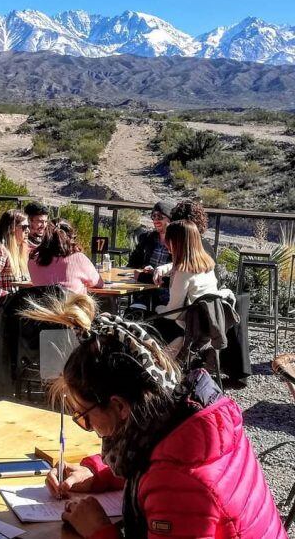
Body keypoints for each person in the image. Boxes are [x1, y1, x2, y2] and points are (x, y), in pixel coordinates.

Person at [26, 293, 286, 539]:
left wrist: (99, 530)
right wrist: (97, 473)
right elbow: (151, 456)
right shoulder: (188, 416)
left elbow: (167, 474)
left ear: (119, 406)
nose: (89, 427)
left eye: (85, 417)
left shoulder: (178, 478)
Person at [151, 220, 225, 348]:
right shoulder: (206, 263)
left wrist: (157, 309)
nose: (165, 244)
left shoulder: (183, 273)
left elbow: (173, 313)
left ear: (176, 243)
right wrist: (163, 268)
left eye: (168, 240)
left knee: (147, 317)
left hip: (188, 327)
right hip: (207, 324)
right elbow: (183, 265)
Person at [29, 219, 103, 295]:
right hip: (71, 305)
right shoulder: (78, 258)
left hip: (42, 306)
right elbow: (99, 283)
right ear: (71, 238)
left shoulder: (33, 260)